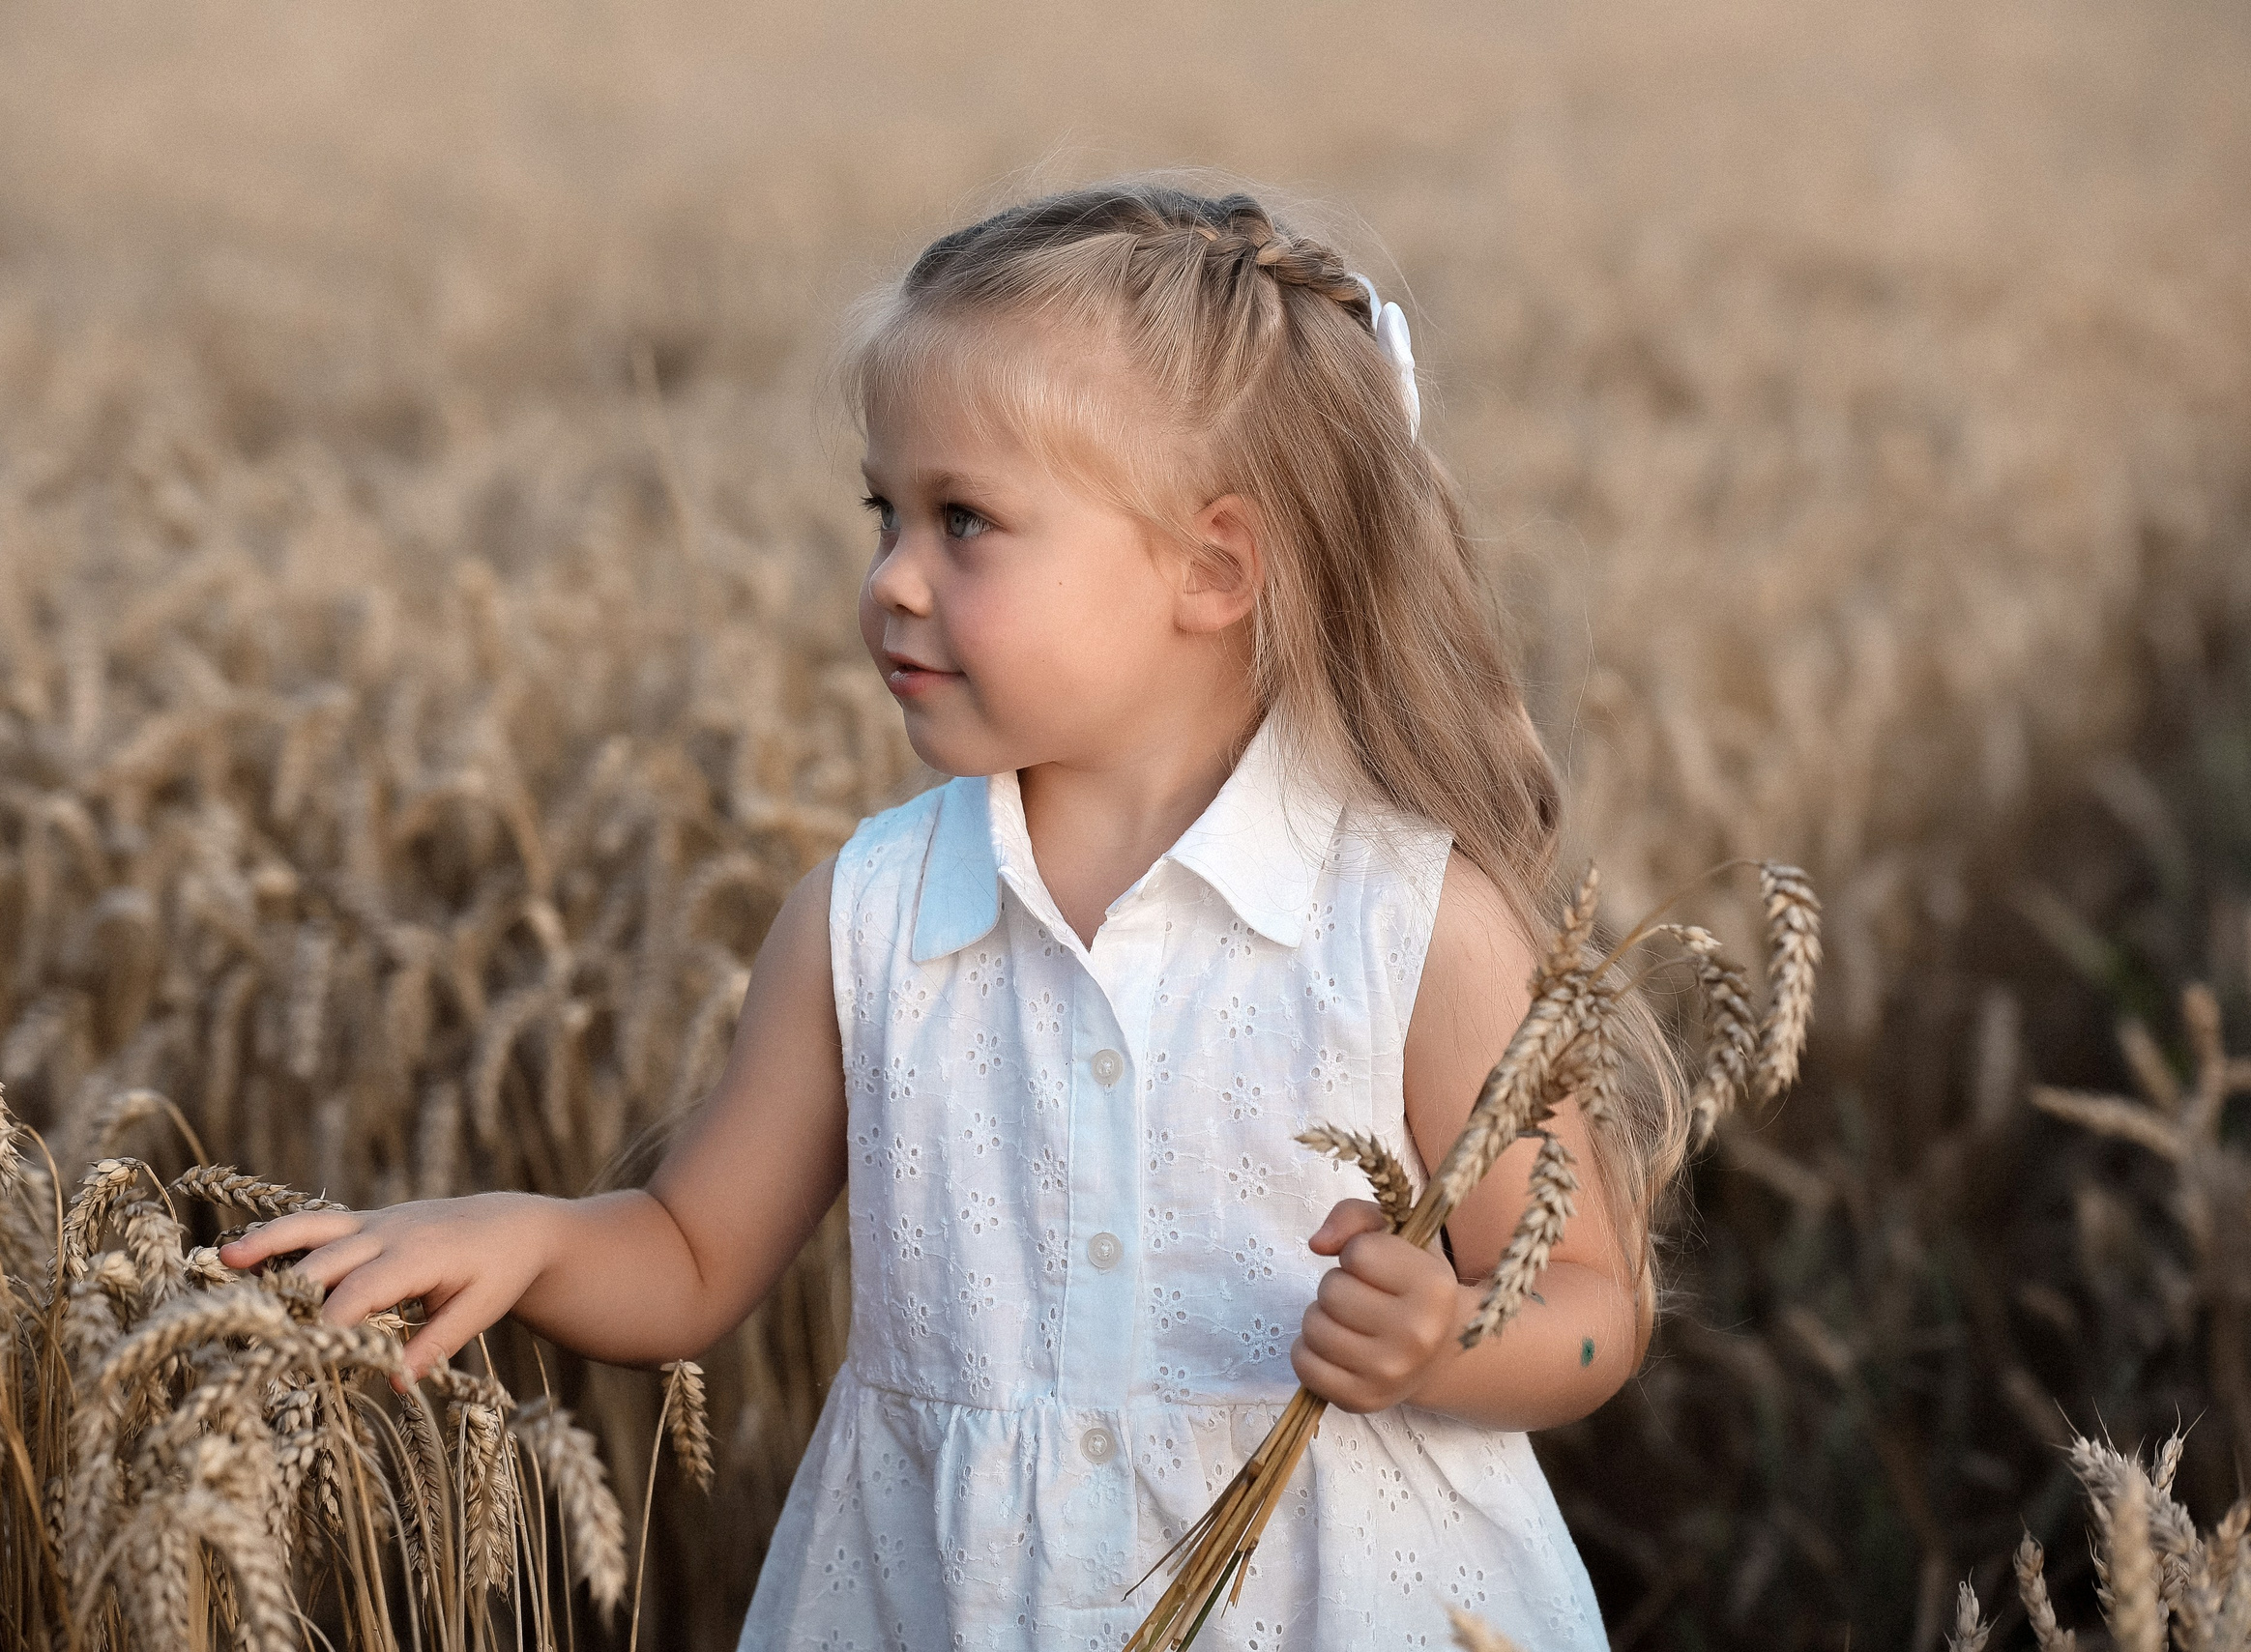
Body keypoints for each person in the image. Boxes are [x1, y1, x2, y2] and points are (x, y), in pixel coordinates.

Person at [223, 180, 1681, 1650]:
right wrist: (534, 1239)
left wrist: (1444, 1342)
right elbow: (687, 1251)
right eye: (886, 512)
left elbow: (1592, 1304)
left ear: (1212, 568)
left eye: (964, 521)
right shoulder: (869, 917)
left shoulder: (1407, 924)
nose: (890, 582)